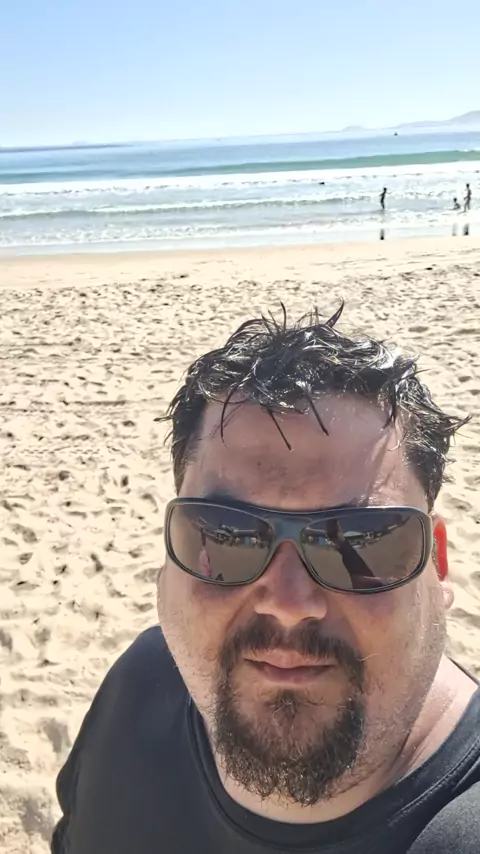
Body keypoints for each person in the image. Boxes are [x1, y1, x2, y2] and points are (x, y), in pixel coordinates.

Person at [51, 305, 480, 854]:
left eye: (360, 541)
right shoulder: (139, 686)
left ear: (436, 563)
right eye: (226, 534)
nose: (288, 602)